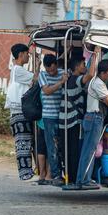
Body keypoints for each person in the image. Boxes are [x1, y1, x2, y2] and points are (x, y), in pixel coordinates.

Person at [58, 48, 99, 185]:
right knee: (74, 151)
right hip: (73, 120)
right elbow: (91, 74)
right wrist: (95, 55)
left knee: (68, 151)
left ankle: (69, 176)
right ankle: (75, 178)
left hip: (63, 120)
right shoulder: (76, 79)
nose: (84, 67)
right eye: (83, 65)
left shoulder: (68, 77)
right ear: (76, 67)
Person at [73, 60, 108, 191]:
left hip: (92, 118)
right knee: (90, 151)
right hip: (94, 118)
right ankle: (84, 180)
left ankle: (82, 179)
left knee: (87, 150)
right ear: (103, 73)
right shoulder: (98, 84)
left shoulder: (98, 82)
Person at [5, 44, 39, 181]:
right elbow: (36, 79)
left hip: (20, 112)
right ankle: (25, 174)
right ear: (20, 55)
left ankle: (28, 172)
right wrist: (38, 64)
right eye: (27, 54)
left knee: (25, 142)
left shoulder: (18, 70)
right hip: (20, 112)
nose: (28, 56)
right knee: (23, 144)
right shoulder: (18, 70)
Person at [39, 54, 68, 186]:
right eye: (49, 70)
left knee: (62, 145)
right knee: (52, 147)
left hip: (62, 115)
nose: (51, 72)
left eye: (53, 70)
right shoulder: (42, 75)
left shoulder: (63, 72)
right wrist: (61, 82)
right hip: (48, 117)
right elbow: (47, 91)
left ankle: (65, 173)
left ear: (56, 64)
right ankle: (56, 175)